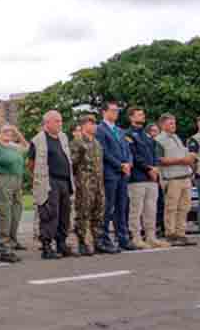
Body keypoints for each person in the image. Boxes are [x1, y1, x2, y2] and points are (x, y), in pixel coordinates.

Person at [28, 111, 76, 259]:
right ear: (47, 123)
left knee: (64, 214)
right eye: (57, 121)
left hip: (65, 181)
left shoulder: (63, 137)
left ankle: (61, 243)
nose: (60, 124)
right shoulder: (38, 140)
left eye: (60, 121)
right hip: (49, 181)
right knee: (49, 214)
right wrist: (39, 180)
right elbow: (31, 164)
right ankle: (47, 246)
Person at [95, 101, 136, 252]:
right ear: (104, 112)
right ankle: (104, 239)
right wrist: (120, 165)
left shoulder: (120, 131)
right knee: (108, 207)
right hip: (110, 174)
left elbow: (128, 150)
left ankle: (123, 238)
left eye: (117, 110)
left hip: (123, 174)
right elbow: (104, 152)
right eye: (113, 110)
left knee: (122, 207)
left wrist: (129, 163)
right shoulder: (100, 130)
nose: (116, 113)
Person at [125, 108, 169, 249]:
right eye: (139, 114)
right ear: (131, 117)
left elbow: (155, 152)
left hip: (152, 179)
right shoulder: (128, 135)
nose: (142, 116)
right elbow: (134, 155)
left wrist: (155, 167)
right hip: (137, 178)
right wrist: (148, 168)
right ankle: (136, 237)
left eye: (143, 114)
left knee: (151, 209)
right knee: (136, 210)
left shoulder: (147, 135)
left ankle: (151, 237)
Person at [0, 124, 26, 263]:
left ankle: (11, 242)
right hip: (4, 180)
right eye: (5, 131)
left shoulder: (14, 148)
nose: (9, 133)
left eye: (10, 131)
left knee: (16, 213)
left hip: (17, 182)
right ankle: (4, 248)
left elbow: (27, 146)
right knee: (5, 215)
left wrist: (16, 131)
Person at [155, 113, 198, 246]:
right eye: (170, 123)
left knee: (184, 207)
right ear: (162, 125)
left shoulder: (176, 137)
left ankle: (181, 233)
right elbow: (159, 160)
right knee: (171, 208)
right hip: (172, 178)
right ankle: (170, 234)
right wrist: (181, 160)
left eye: (174, 123)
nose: (174, 126)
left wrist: (191, 159)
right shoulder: (159, 140)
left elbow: (184, 155)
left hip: (185, 177)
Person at [70, 115, 105, 256]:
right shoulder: (78, 142)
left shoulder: (97, 143)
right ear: (84, 125)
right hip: (84, 183)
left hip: (98, 183)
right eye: (91, 123)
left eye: (95, 123)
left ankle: (97, 241)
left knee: (99, 211)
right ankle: (82, 242)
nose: (94, 126)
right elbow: (72, 164)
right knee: (83, 212)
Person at [147, 123, 166, 238]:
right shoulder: (148, 144)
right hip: (150, 176)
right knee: (151, 205)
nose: (156, 134)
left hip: (161, 177)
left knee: (161, 204)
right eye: (153, 131)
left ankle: (160, 227)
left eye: (157, 131)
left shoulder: (158, 144)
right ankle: (151, 229)